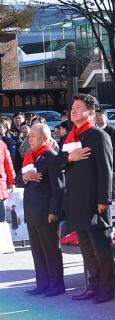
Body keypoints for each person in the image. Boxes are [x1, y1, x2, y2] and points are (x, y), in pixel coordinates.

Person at [59, 94, 115, 302]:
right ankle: (93, 285)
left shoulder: (98, 135)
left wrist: (104, 199)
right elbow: (58, 162)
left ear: (91, 112)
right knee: (86, 248)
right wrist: (69, 157)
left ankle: (107, 288)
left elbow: (106, 170)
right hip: (76, 201)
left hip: (95, 202)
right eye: (72, 107)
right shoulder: (70, 136)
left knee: (100, 247)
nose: (72, 110)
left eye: (78, 107)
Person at [20, 123, 65, 297]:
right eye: (29, 135)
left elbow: (58, 188)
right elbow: (18, 178)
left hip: (46, 212)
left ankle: (56, 285)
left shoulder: (52, 158)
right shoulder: (30, 156)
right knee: (37, 251)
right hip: (32, 212)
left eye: (32, 135)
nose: (29, 138)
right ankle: (42, 283)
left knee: (50, 250)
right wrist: (25, 176)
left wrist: (54, 211)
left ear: (44, 138)